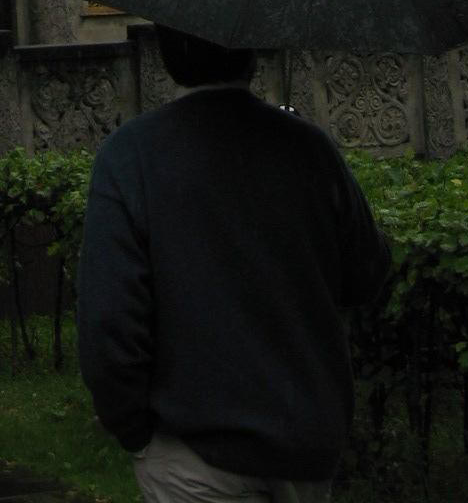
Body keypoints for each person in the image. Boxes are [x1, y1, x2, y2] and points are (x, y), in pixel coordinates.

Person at [79, 30, 392, 503]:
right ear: (250, 53)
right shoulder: (309, 148)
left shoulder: (130, 155)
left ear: (168, 57)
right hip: (305, 444)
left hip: (193, 455)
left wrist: (132, 429)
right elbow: (366, 273)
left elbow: (109, 319)